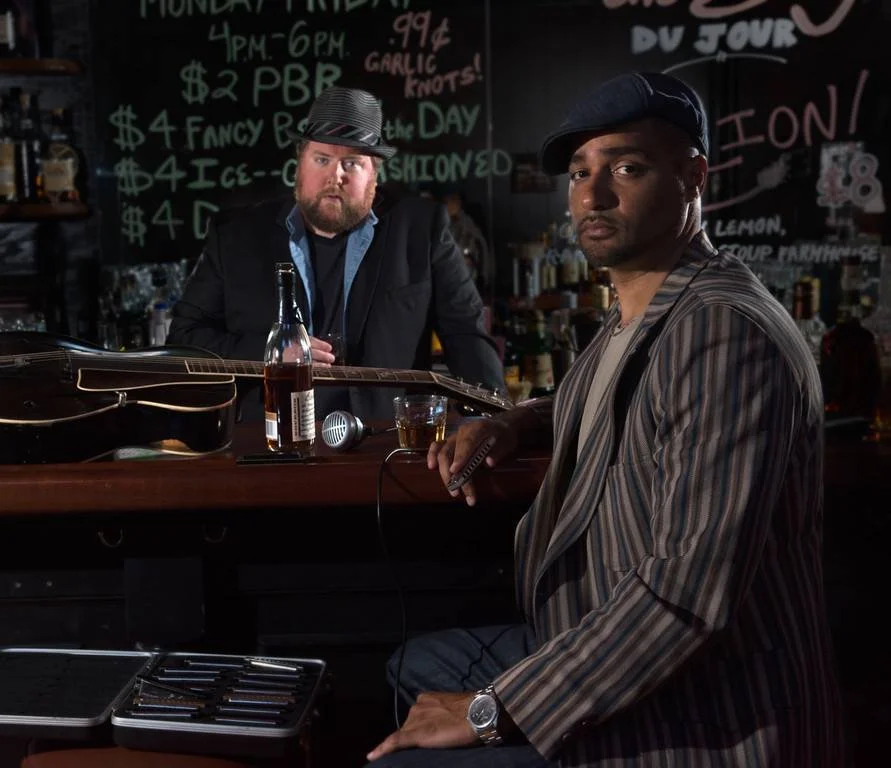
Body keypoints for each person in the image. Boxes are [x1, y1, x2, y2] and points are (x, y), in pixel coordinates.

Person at [366, 72, 844, 766]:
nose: (591, 195)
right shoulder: (641, 312)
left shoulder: (720, 335)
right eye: (579, 173)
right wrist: (515, 422)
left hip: (696, 711)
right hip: (602, 642)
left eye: (626, 167)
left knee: (407, 756)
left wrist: (493, 709)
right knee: (413, 665)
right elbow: (593, 398)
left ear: (692, 178)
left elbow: (685, 598)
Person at [167, 86, 504, 422]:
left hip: (388, 447)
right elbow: (184, 339)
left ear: (375, 173)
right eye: (322, 159)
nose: (335, 176)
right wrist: (272, 352)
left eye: (352, 163)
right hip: (268, 444)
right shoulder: (236, 236)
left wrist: (494, 421)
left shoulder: (420, 229)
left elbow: (467, 337)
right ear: (300, 163)